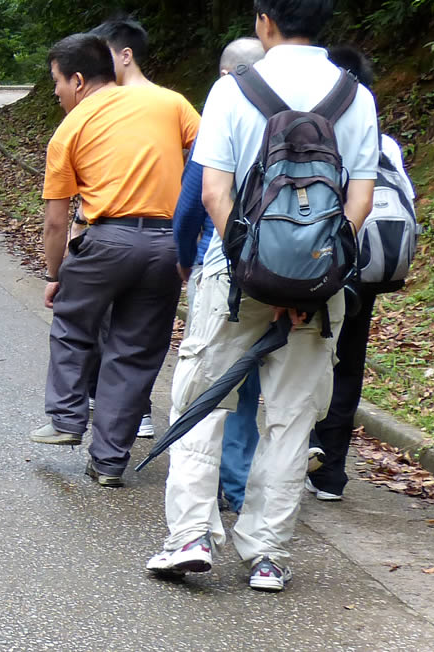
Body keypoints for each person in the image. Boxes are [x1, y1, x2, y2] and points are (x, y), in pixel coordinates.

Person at [147, 0, 378, 593]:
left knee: (203, 399)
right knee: (291, 415)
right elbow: (359, 197)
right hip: (318, 286)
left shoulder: (234, 89)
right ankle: (268, 553)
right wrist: (309, 275)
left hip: (232, 275)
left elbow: (215, 192)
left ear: (263, 20)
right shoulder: (355, 95)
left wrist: (252, 268)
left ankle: (190, 535)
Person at [30, 30, 200, 488]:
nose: (57, 93)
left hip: (106, 241)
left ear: (79, 80)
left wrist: (53, 274)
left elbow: (55, 221)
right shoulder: (171, 103)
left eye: (58, 83)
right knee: (136, 351)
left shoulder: (70, 128)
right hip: (167, 246)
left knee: (72, 323)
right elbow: (209, 160)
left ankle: (67, 420)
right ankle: (108, 461)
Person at [305, 45, 415, 501]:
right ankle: (330, 473)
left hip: (319, 260)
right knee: (348, 363)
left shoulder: (312, 127)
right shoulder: (383, 140)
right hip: (365, 266)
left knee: (306, 353)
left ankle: (302, 447)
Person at [171, 36, 268, 514]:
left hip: (224, 263)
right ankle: (240, 481)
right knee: (251, 379)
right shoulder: (299, 105)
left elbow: (196, 196)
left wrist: (183, 254)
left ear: (227, 71)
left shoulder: (227, 101)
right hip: (285, 265)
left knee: (210, 375)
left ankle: (199, 501)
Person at [83, 18, 165, 439]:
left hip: (120, 229)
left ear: (125, 55)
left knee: (117, 321)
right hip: (157, 235)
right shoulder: (169, 102)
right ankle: (127, 407)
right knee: (134, 326)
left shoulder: (143, 104)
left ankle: (126, 407)